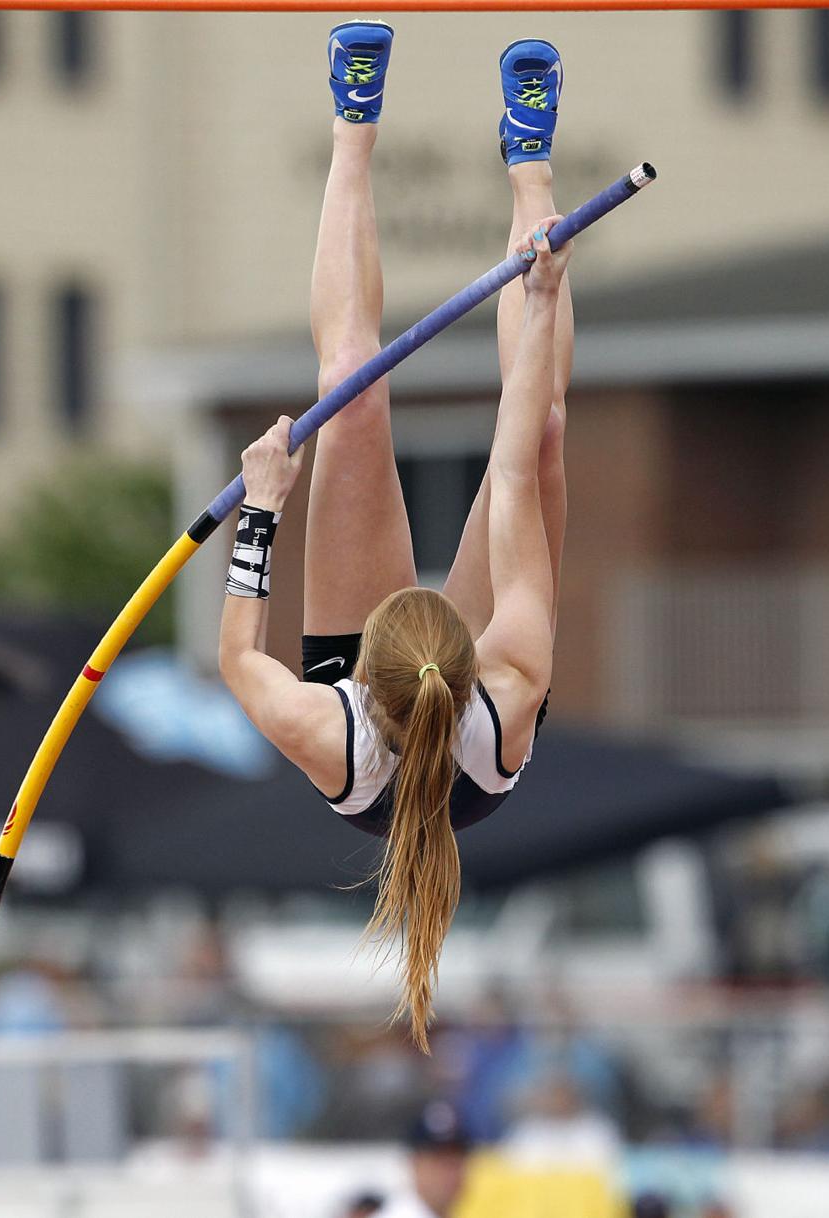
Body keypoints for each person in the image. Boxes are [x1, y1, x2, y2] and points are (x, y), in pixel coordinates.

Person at [220, 24, 572, 1052]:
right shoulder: (509, 689)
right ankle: (531, 161)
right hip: (463, 725)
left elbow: (239, 657)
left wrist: (264, 503)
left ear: (359, 666)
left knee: (352, 393)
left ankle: (352, 126)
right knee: (545, 429)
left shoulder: (331, 730)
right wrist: (539, 285)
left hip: (377, 732)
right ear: (469, 657)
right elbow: (509, 467)